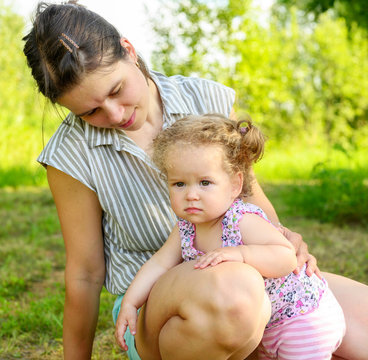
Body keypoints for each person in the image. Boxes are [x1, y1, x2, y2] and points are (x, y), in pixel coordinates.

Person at [22, 2, 368, 359]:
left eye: (116, 90)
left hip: (253, 280)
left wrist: (282, 240)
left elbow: (249, 196)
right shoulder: (70, 154)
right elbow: (85, 273)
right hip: (161, 303)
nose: (113, 114)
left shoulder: (204, 98)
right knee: (236, 298)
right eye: (90, 111)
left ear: (129, 49)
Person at [115, 114, 346, 359]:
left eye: (205, 183)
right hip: (265, 326)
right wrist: (130, 302)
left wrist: (241, 253)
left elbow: (286, 257)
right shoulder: (185, 226)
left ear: (235, 185)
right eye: (179, 184)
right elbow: (159, 263)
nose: (191, 194)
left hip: (301, 320)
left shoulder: (241, 219)